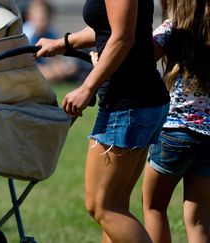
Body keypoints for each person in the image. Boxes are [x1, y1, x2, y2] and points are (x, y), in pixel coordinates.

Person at [35, 0, 170, 242]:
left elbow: (122, 37)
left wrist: (87, 87)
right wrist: (62, 44)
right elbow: (107, 26)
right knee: (115, 205)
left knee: (102, 206)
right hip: (137, 101)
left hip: (128, 104)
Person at [142, 0, 210, 242]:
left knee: (153, 207)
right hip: (209, 138)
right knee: (199, 220)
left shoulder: (173, 28)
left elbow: (141, 57)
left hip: (174, 132)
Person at [23, 0, 91, 83]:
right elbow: (26, 61)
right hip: (32, 67)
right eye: (39, 18)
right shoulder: (26, 33)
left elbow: (56, 57)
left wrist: (58, 68)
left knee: (71, 68)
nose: (42, 20)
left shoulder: (52, 31)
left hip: (48, 67)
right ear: (30, 17)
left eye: (45, 17)